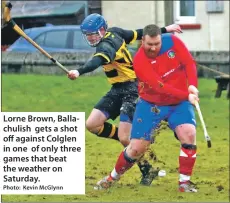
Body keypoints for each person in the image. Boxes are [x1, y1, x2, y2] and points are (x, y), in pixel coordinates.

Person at [67, 14, 183, 186]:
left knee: (125, 137)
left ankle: (147, 169)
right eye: (88, 35)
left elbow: (96, 61)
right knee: (92, 124)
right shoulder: (117, 32)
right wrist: (167, 29)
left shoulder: (107, 45)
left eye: (93, 34)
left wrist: (78, 71)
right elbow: (139, 33)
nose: (91, 38)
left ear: (102, 30)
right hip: (117, 89)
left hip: (133, 89)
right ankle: (132, 142)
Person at [95, 24, 200, 192]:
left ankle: (184, 183)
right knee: (136, 149)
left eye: (156, 44)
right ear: (142, 40)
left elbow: (189, 63)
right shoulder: (140, 61)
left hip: (178, 104)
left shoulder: (173, 42)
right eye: (149, 44)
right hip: (151, 105)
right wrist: (186, 95)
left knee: (189, 134)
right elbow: (159, 86)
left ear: (160, 39)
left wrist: (193, 86)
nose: (153, 48)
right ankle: (111, 177)